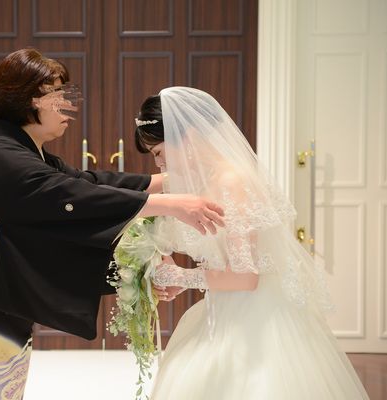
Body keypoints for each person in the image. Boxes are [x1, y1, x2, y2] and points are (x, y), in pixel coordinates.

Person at [0, 50, 225, 400]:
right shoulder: (3, 158)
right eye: (57, 95)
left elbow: (87, 181)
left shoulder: (24, 153)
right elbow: (75, 196)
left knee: (0, 391)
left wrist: (162, 183)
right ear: (28, 100)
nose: (66, 104)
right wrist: (170, 203)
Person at [133, 87, 370, 399]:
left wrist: (182, 276)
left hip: (256, 318)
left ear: (186, 137)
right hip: (221, 309)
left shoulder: (233, 181)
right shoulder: (199, 181)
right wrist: (164, 262)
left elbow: (245, 278)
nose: (159, 163)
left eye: (159, 152)